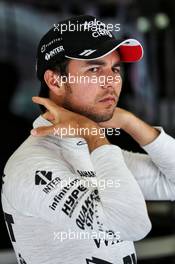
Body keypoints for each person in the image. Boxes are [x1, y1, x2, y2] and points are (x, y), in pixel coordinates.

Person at [1, 15, 175, 264]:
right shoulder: (30, 164)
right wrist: (93, 133)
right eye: (94, 68)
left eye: (115, 69)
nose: (112, 81)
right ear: (55, 81)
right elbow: (132, 225)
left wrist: (129, 122)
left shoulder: (88, 149)